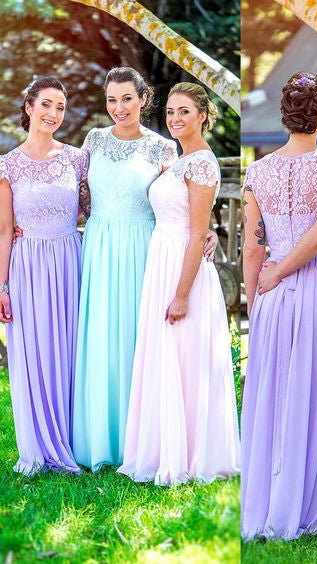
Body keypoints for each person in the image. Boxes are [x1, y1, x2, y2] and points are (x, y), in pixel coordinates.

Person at [72, 67, 216, 470]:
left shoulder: (163, 148)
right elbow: (76, 191)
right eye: (111, 100)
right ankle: (99, 437)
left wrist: (207, 232)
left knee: (138, 338)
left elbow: (180, 202)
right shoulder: (94, 140)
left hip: (143, 248)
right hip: (100, 243)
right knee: (101, 335)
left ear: (143, 99)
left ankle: (139, 440)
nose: (119, 108)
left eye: (127, 99)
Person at [241, 73, 317, 539]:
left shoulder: (258, 172)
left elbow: (252, 248)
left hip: (271, 290)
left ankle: (274, 496)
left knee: (277, 395)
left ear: (284, 117)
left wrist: (255, 304)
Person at [117, 83, 240, 485]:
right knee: (166, 355)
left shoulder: (202, 163)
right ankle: (161, 445)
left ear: (203, 115)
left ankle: (189, 453)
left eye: (184, 111)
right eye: (170, 112)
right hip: (163, 259)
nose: (175, 119)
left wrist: (182, 294)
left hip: (183, 269)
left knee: (184, 355)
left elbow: (197, 231)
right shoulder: (180, 160)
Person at [0, 77, 88, 475]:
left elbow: (98, 209)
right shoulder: (8, 164)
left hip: (70, 260)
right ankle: (37, 445)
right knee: (34, 352)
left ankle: (75, 436)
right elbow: (5, 229)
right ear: (29, 108)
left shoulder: (77, 159)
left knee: (71, 349)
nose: (53, 114)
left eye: (60, 107)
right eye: (46, 105)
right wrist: (2, 286)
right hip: (29, 265)